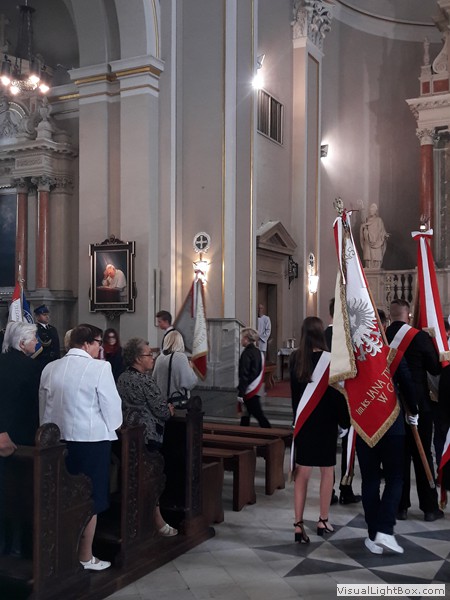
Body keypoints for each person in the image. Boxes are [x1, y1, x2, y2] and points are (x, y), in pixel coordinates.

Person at [39, 323, 123, 571]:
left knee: (62, 497)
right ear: (87, 344)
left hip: (56, 443)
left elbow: (43, 407)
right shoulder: (100, 368)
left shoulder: (50, 367)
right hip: (91, 442)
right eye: (98, 342)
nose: (100, 348)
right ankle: (85, 556)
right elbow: (112, 409)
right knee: (90, 498)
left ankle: (61, 553)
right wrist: (113, 425)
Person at [357, 308, 419, 555]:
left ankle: (374, 535)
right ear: (381, 327)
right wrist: (414, 411)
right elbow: (409, 387)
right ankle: (383, 530)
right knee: (395, 478)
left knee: (370, 480)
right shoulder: (393, 355)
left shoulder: (356, 360)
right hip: (393, 427)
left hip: (364, 428)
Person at [290, 317, 350, 543]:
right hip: (326, 424)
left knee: (302, 474)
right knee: (327, 471)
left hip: (304, 422)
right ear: (321, 334)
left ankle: (298, 524)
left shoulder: (296, 359)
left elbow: (295, 397)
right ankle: (323, 520)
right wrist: (344, 422)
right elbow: (338, 397)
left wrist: (296, 420)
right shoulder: (330, 361)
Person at [386, 299, 443, 522]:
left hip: (391, 404)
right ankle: (429, 508)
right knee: (422, 454)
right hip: (419, 404)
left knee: (398, 456)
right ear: (408, 315)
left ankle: (400, 507)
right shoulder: (419, 337)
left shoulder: (382, 336)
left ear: (390, 315)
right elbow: (435, 368)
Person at [117, 337, 178, 536]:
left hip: (129, 434)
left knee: (133, 478)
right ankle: (155, 521)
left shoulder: (122, 377)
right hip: (148, 435)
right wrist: (169, 410)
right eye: (149, 354)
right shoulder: (145, 380)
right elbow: (161, 411)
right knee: (151, 479)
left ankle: (136, 520)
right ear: (137, 358)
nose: (152, 357)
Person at [0, 322, 42, 556]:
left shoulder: (2, 361)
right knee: (23, 493)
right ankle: (21, 546)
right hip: (22, 437)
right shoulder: (31, 367)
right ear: (22, 343)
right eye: (33, 339)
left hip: (4, 434)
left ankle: (6, 544)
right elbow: (36, 403)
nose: (36, 343)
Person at [325, 297, 361, 506]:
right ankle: (346, 489)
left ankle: (327, 491)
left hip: (325, 401)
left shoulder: (322, 336)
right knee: (348, 448)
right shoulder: (350, 338)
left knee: (328, 449)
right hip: (347, 401)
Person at [237, 328, 271, 428]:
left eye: (242, 338)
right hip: (257, 387)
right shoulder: (258, 352)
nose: (241, 340)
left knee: (258, 414)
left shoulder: (247, 353)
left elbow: (244, 374)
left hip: (249, 388)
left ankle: (270, 432)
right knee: (246, 415)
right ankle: (243, 433)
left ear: (246, 339)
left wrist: (241, 392)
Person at [153, 330, 198, 404]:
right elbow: (190, 383)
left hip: (161, 402)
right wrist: (191, 368)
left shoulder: (159, 358)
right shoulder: (180, 357)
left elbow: (154, 380)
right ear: (180, 342)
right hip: (177, 402)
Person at [360, 203, 389, 269]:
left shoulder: (379, 220)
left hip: (377, 241)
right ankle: (368, 266)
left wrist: (385, 235)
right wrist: (363, 228)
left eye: (373, 210)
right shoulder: (366, 220)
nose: (371, 211)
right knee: (368, 255)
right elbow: (363, 228)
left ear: (375, 211)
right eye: (370, 210)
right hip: (368, 240)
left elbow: (382, 230)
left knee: (377, 256)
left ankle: (376, 267)